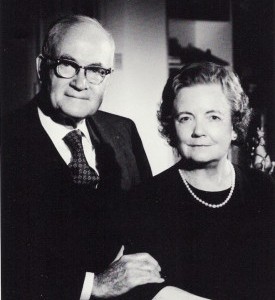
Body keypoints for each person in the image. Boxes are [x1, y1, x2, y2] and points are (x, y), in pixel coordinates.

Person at [2, 15, 163, 300]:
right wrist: (93, 285)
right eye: (67, 65)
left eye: (96, 70)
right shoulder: (8, 140)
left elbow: (148, 222)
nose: (81, 82)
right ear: (42, 67)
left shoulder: (123, 130)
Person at [126, 62, 274, 299]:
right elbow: (146, 290)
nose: (198, 131)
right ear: (172, 128)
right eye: (186, 118)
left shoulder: (263, 189)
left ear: (234, 127)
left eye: (213, 117)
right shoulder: (147, 199)